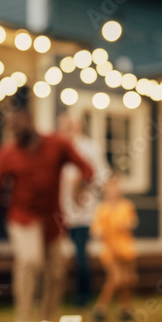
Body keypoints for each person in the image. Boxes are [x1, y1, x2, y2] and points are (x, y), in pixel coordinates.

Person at [0, 104, 94, 322]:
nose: (15, 131)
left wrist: (80, 186)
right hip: (22, 218)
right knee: (31, 260)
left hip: (52, 219)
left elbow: (87, 168)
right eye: (11, 127)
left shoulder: (57, 144)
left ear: (30, 120)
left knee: (57, 270)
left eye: (18, 125)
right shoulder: (7, 154)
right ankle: (22, 321)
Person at [58, 113, 109, 308]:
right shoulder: (57, 148)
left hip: (82, 214)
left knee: (81, 255)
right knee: (56, 256)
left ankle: (83, 296)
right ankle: (58, 295)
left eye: (69, 124)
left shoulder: (89, 148)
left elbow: (102, 177)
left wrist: (82, 184)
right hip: (58, 213)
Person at [91, 175, 137, 322]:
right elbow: (96, 229)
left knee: (127, 280)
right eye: (110, 187)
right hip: (110, 250)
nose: (113, 190)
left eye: (115, 186)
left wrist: (126, 225)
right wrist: (99, 232)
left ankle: (125, 309)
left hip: (125, 249)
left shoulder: (126, 205)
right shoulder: (102, 209)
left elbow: (132, 221)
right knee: (116, 278)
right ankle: (100, 309)